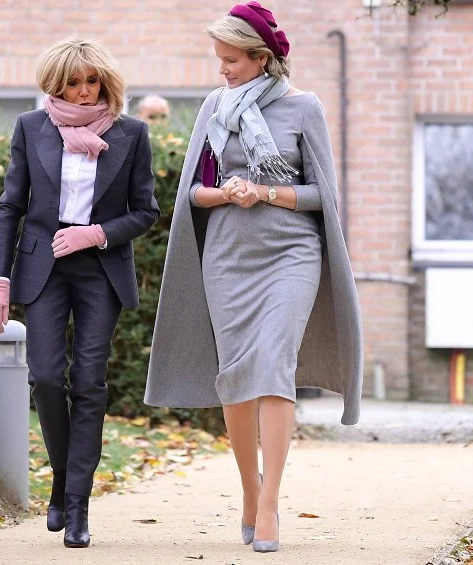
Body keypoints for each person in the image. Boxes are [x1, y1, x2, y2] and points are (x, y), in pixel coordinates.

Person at [145, 1, 363, 554]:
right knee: (238, 376)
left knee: (273, 368)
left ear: (262, 58)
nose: (222, 70)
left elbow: (324, 198)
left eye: (232, 60)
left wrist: (264, 191)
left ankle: (269, 504)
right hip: (226, 259)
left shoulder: (303, 108)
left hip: (291, 256)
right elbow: (191, 192)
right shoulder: (214, 109)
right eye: (219, 60)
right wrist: (226, 192)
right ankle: (248, 490)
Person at [0, 36, 159, 549]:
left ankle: (76, 504)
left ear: (106, 82)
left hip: (99, 267)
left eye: (92, 82)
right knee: (46, 376)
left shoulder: (131, 134)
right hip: (43, 267)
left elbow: (146, 210)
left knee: (88, 380)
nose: (84, 93)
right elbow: (11, 207)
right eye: (72, 84)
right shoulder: (31, 128)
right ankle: (63, 479)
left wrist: (96, 233)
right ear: (54, 87)